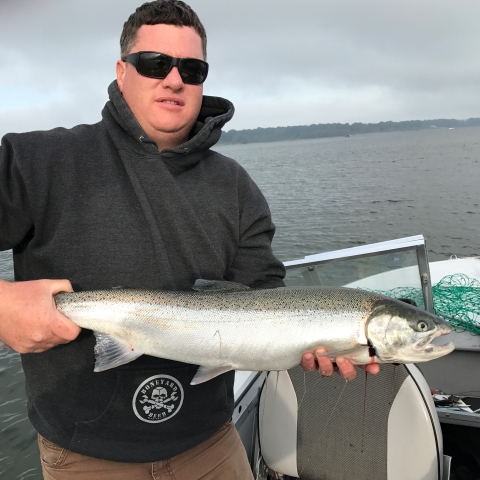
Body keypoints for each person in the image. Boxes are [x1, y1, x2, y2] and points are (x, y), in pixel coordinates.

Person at [0, 1, 378, 478]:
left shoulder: (236, 186)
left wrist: (310, 343)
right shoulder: (37, 161)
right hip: (84, 454)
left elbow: (262, 293)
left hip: (212, 443)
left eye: (192, 69)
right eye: (155, 64)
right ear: (121, 71)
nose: (174, 79)